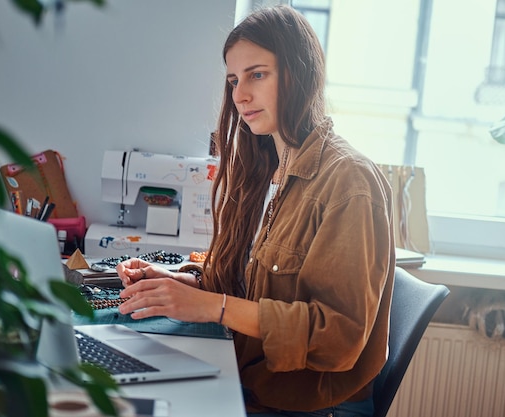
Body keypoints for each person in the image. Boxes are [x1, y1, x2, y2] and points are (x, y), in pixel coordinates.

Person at [116, 5, 395, 416]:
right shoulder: (268, 167)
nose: (240, 94)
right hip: (254, 382)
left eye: (257, 74)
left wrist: (213, 307)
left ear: (299, 74)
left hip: (311, 406)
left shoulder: (349, 182)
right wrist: (180, 284)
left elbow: (337, 340)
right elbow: (255, 286)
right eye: (233, 80)